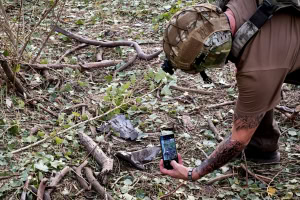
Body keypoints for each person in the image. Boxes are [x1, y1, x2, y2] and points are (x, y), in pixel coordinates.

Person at [160, 0, 300, 181]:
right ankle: (262, 146)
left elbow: (238, 139)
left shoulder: (258, 69)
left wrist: (192, 173)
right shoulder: (230, 6)